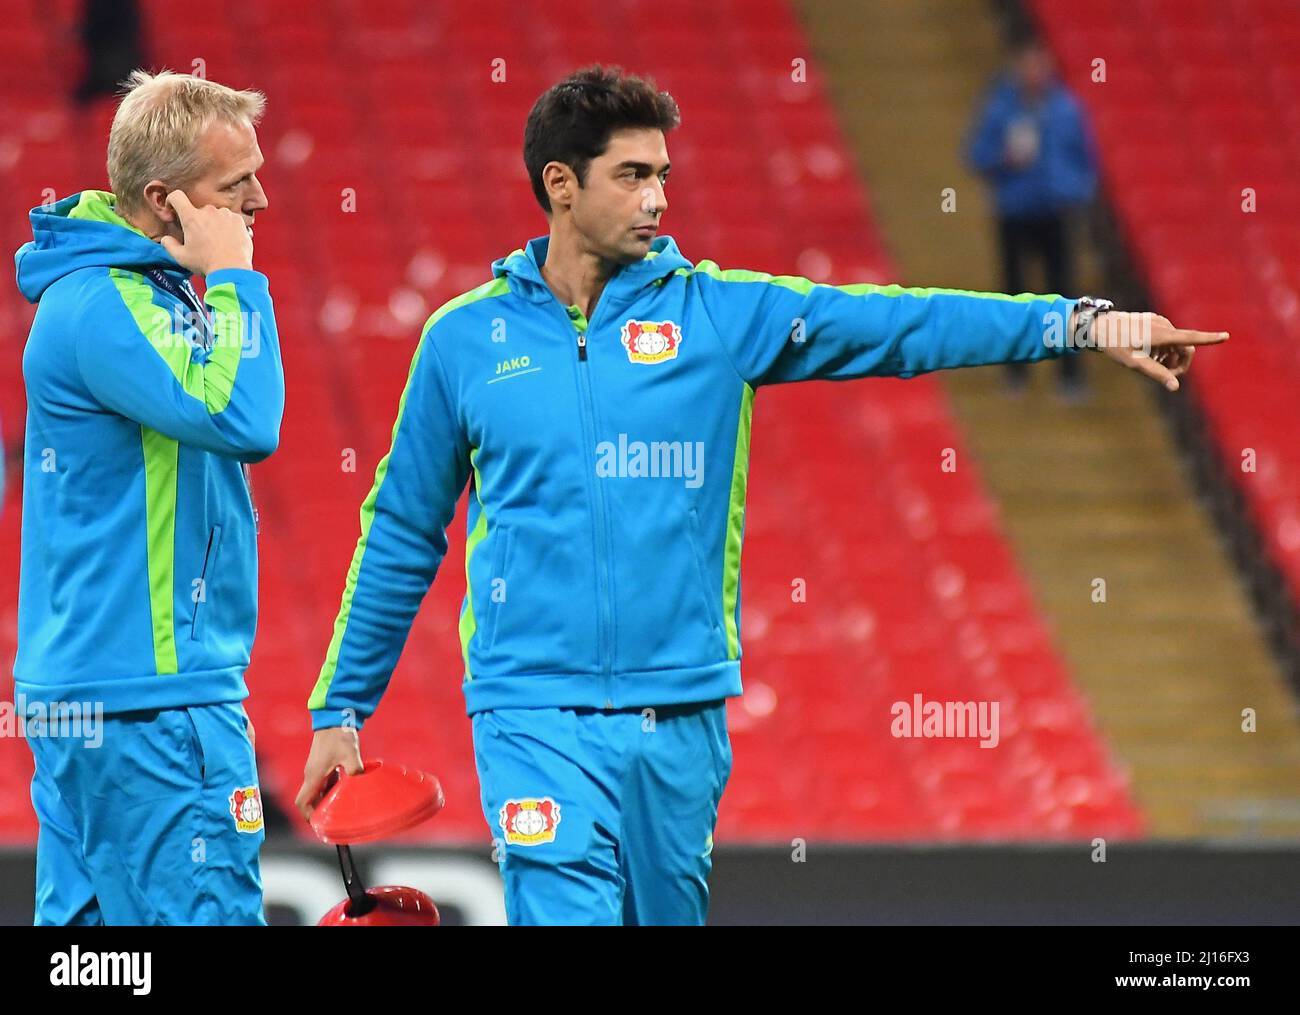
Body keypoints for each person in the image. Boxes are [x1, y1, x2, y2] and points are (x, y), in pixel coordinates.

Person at [296, 65, 1224, 925]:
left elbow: (900, 323)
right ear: (559, 186)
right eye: (631, 174)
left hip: (681, 708)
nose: (658, 197)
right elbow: (404, 529)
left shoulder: (718, 314)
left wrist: (1081, 320)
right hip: (529, 707)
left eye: (663, 172)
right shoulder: (464, 341)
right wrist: (342, 709)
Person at [14, 70, 282, 925]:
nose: (260, 200)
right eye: (236, 185)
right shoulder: (110, 303)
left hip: (99, 693)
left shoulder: (118, 292)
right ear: (166, 201)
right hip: (153, 701)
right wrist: (239, 280)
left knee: (97, 959)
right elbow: (242, 416)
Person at [967, 36, 1100, 399]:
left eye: (1040, 65)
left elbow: (1086, 162)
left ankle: (1071, 374)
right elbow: (976, 155)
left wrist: (1072, 193)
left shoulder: (1067, 109)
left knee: (1067, 296)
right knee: (1013, 293)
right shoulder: (1000, 108)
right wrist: (1003, 160)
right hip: (1014, 211)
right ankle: (1016, 371)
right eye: (1028, 65)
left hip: (1055, 212)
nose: (1034, 73)